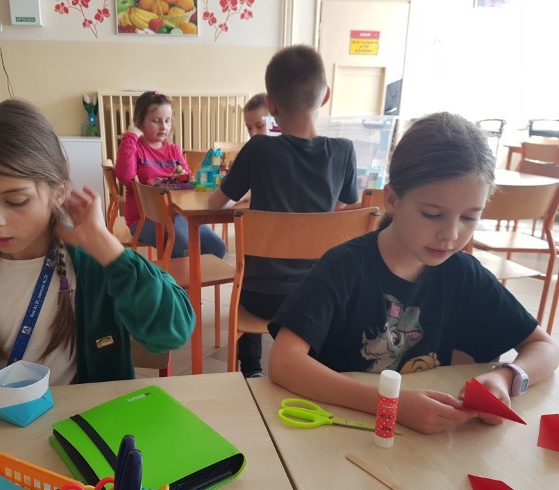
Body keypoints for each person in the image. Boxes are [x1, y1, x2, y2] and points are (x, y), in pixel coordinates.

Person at [268, 112, 559, 434]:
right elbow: (284, 362)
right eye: (432, 214)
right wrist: (388, 403)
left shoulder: (463, 273)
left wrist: (506, 377)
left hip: (418, 441)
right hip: (344, 429)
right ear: (393, 199)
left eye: (469, 217)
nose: (451, 235)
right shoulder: (344, 267)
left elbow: (545, 347)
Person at [0, 100, 195, 402]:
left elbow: (171, 332)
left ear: (58, 192)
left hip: (85, 418)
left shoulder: (94, 261)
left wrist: (111, 252)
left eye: (15, 201)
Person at [208, 45, 359, 378]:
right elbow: (341, 209)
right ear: (325, 96)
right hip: (317, 297)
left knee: (248, 274)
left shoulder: (258, 148)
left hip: (260, 296)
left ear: (271, 105)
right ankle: (312, 365)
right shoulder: (344, 152)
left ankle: (251, 369)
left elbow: (215, 204)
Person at [114, 91, 227, 259]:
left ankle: (191, 276)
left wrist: (184, 176)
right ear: (139, 122)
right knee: (181, 247)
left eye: (167, 121)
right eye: (156, 121)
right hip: (144, 218)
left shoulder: (173, 150)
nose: (163, 126)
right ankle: (173, 276)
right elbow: (125, 177)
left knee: (217, 247)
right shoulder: (135, 149)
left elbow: (188, 181)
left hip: (177, 215)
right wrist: (130, 136)